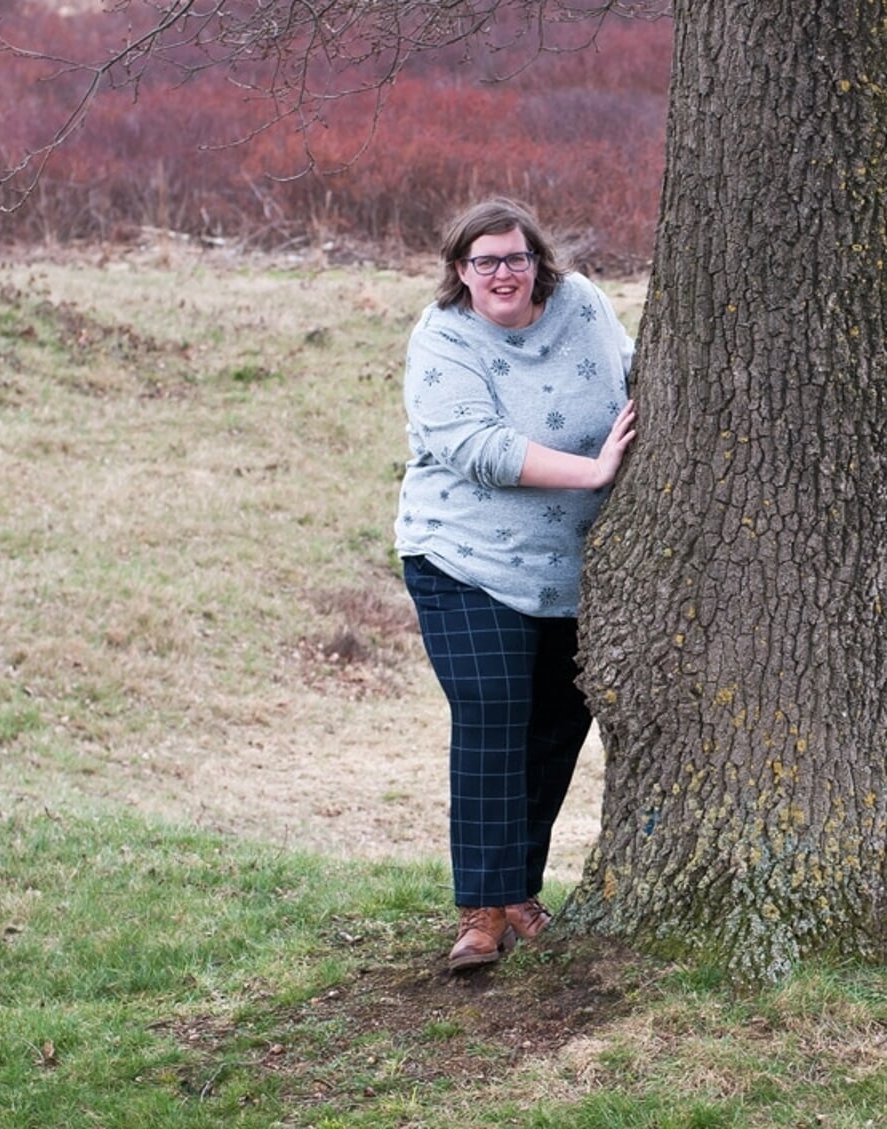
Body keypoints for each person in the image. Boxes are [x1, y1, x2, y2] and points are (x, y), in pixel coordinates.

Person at [394, 198, 637, 972]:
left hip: (568, 570)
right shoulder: (444, 338)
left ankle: (518, 890)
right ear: (459, 273)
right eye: (483, 261)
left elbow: (630, 372)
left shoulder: (583, 307)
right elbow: (477, 445)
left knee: (560, 723)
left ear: (539, 260)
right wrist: (593, 470)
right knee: (495, 710)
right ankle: (480, 915)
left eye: (514, 257)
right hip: (463, 559)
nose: (501, 273)